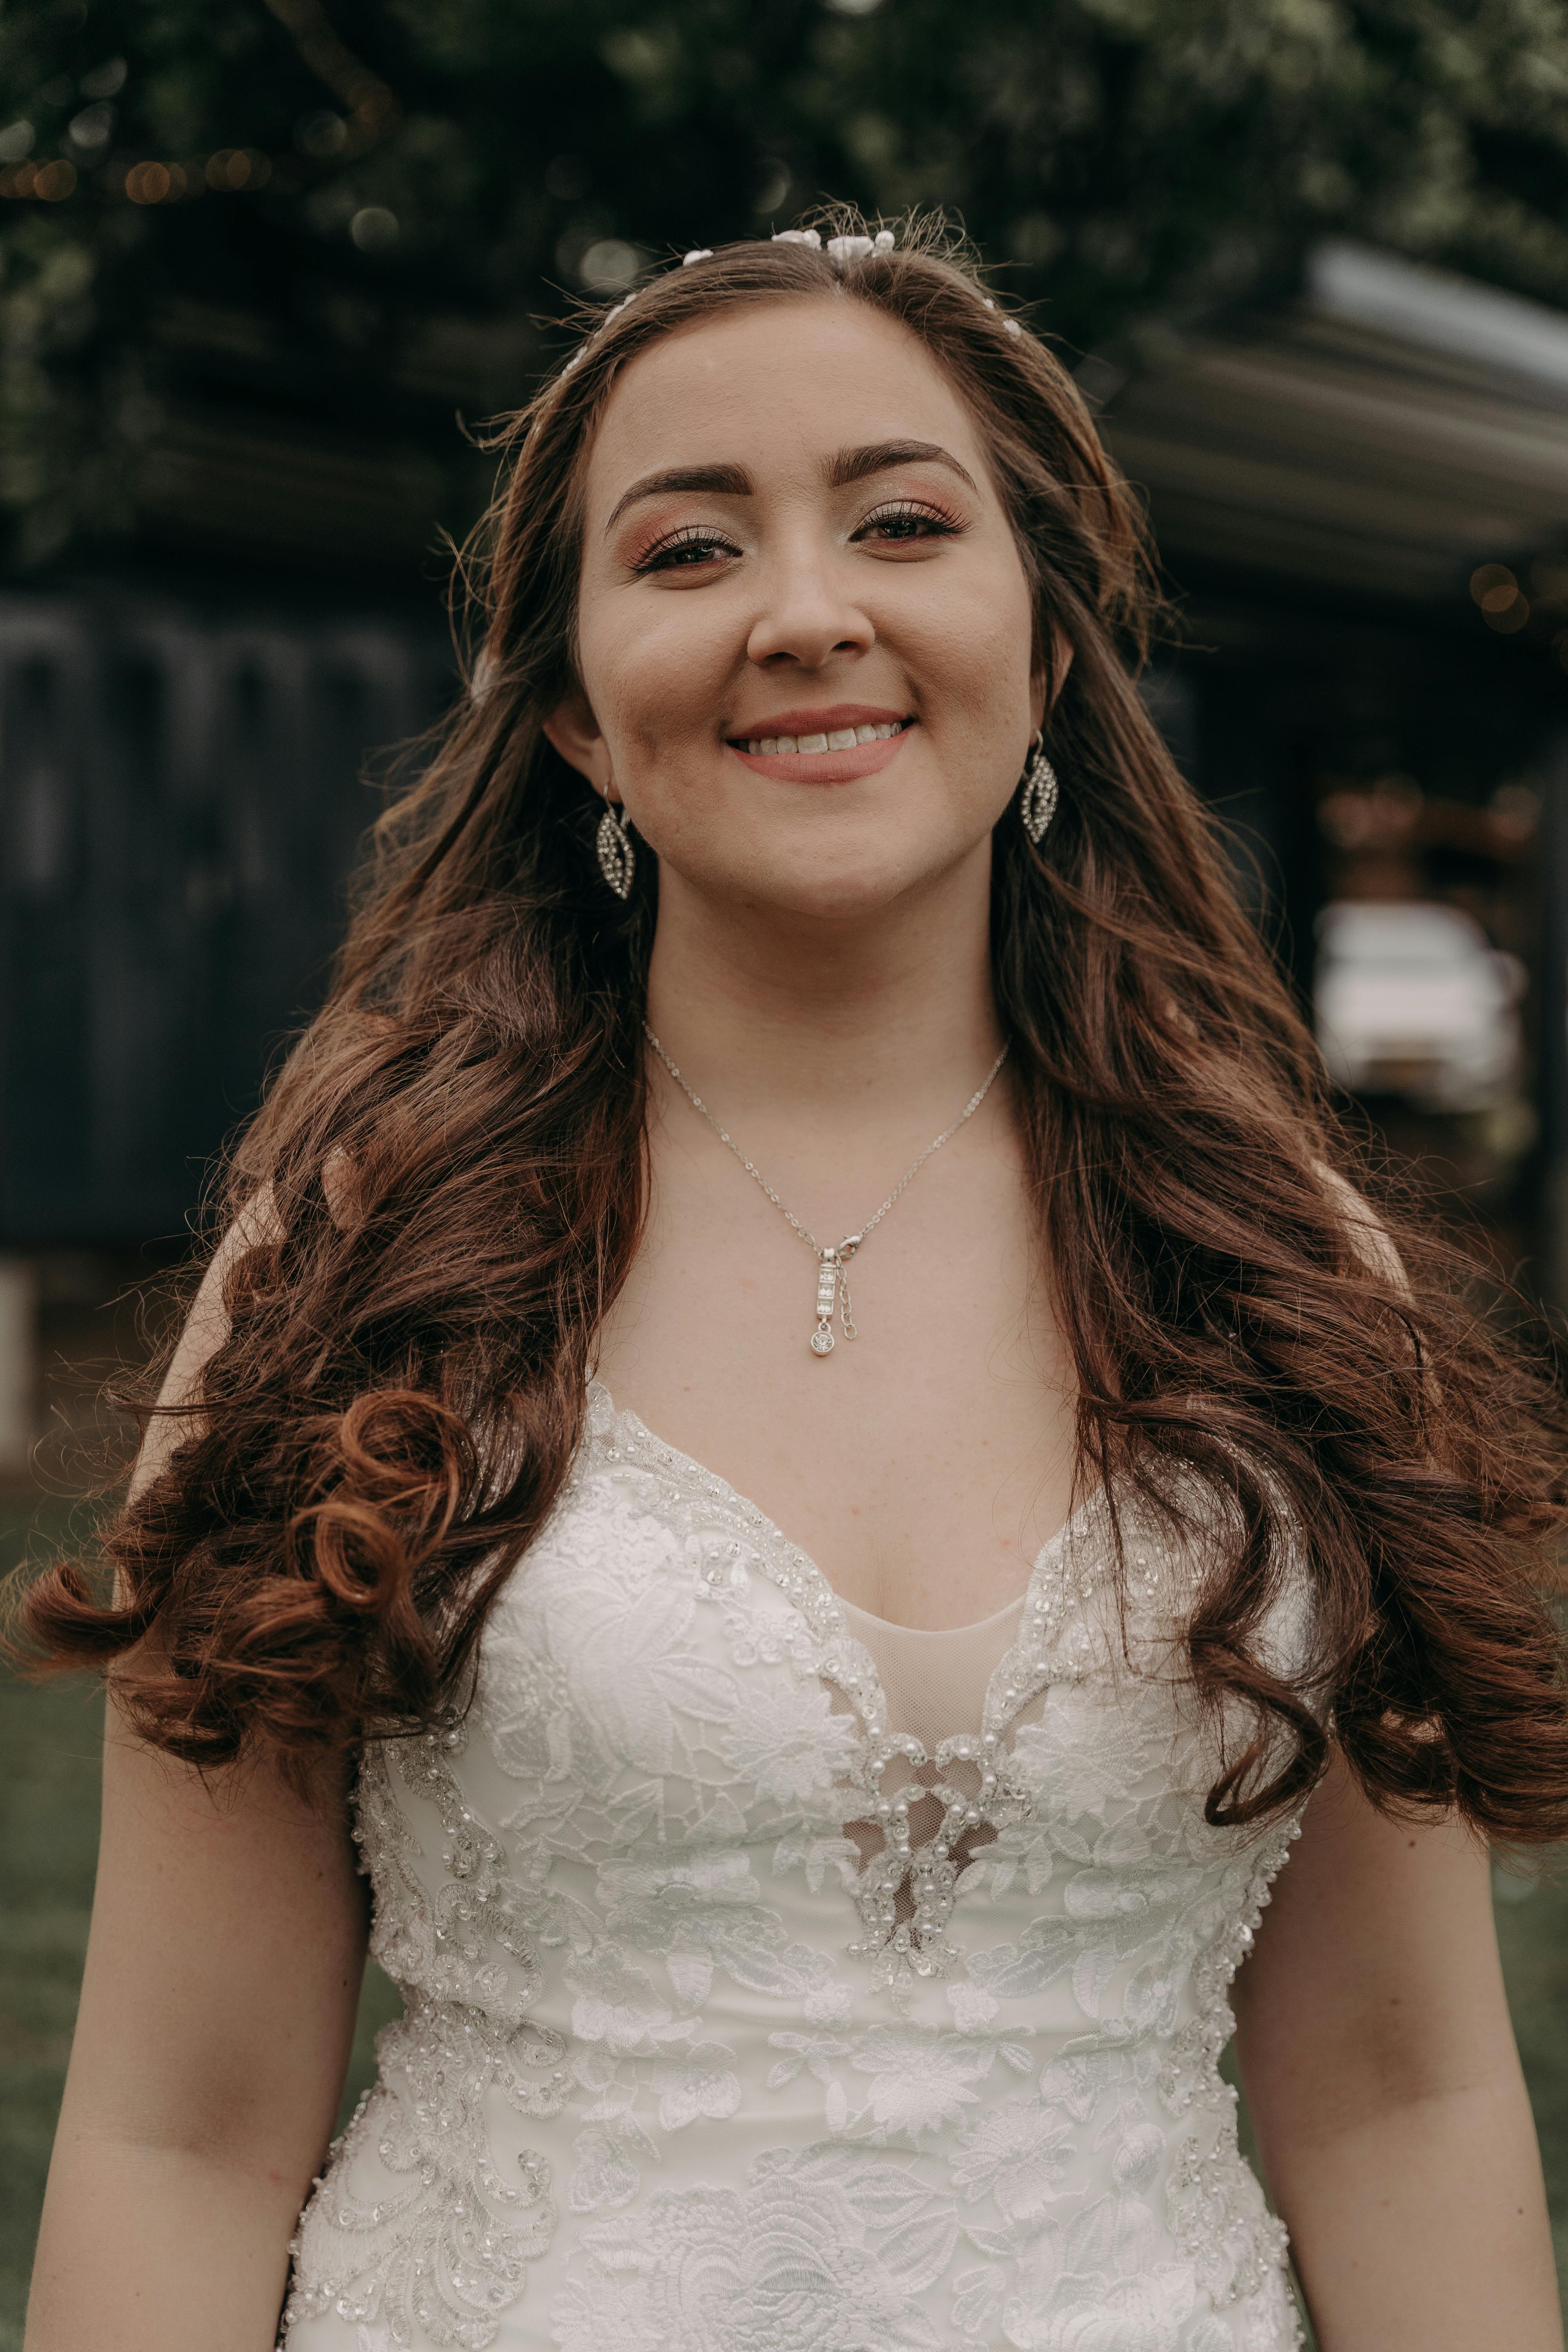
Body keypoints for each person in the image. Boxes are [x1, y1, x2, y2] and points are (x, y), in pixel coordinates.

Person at [18, 212, 1568, 2352]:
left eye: (901, 523)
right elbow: (180, 2133)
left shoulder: (1285, 1267)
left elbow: (1401, 2098)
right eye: (687, 552)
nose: (806, 615)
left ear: (1042, 643)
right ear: (573, 709)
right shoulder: (367, 1258)